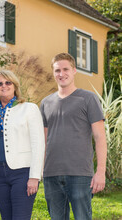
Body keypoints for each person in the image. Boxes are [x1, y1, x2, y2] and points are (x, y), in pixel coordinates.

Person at [40, 53, 107, 220]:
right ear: (53, 73)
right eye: (57, 70)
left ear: (74, 71)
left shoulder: (88, 99)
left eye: (65, 69)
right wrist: (40, 170)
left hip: (80, 174)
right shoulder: (45, 103)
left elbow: (100, 138)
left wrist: (100, 172)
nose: (61, 74)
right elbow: (44, 141)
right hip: (51, 174)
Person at [0, 70, 45, 220]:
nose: (4, 86)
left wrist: (35, 177)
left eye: (8, 82)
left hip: (22, 174)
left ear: (15, 86)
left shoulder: (29, 108)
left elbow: (38, 144)